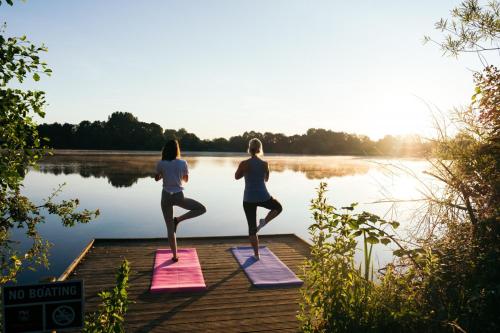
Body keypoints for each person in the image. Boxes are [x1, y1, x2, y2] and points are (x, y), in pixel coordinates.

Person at [155, 140, 206, 262]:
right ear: (177, 150)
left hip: (166, 196)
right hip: (179, 196)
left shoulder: (161, 163)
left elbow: (157, 178)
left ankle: (174, 256)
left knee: (169, 229)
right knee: (201, 209)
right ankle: (178, 219)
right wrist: (179, 175)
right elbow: (186, 179)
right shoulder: (183, 163)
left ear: (165, 150)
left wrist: (162, 174)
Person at [235, 138, 283, 259]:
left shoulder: (244, 163)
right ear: (260, 149)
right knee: (278, 207)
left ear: (249, 149)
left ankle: (256, 255)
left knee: (252, 228)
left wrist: (245, 171)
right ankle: (264, 222)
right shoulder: (264, 164)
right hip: (263, 196)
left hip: (249, 198)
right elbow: (266, 179)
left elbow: (236, 177)